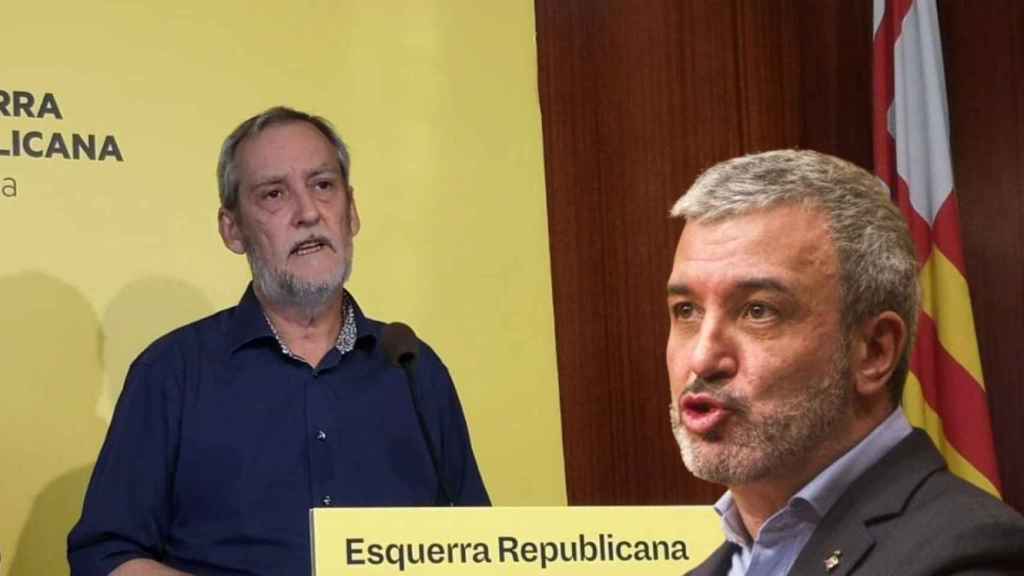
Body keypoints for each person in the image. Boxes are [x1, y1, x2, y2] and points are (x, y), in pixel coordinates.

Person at [68, 106, 489, 575]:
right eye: (274, 194)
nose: (308, 212)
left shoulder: (413, 369)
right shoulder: (172, 372)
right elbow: (105, 556)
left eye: (323, 186)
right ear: (233, 229)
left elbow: (477, 548)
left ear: (351, 211)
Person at [666, 150, 1024, 575]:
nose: (703, 358)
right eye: (686, 310)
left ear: (874, 351)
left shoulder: (971, 556)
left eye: (758, 311)